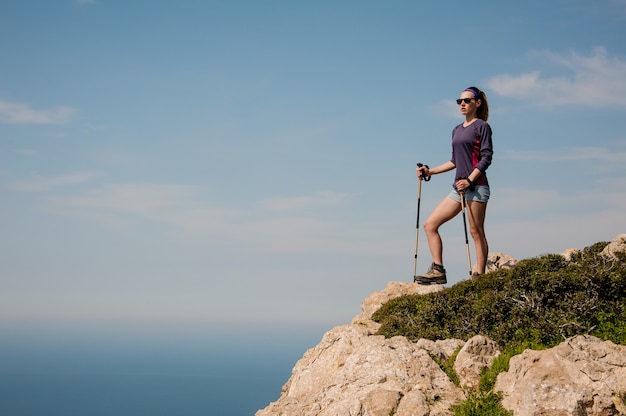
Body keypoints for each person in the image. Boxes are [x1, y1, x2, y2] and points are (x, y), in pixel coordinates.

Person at [415, 86, 493, 284]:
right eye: (460, 101)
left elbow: (486, 157)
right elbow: (455, 161)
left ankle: (480, 277)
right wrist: (429, 171)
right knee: (430, 224)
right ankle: (438, 270)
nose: (463, 104)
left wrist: (469, 180)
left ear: (478, 102)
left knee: (476, 232)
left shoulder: (482, 126)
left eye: (467, 100)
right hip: (458, 189)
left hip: (476, 187)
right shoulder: (456, 130)